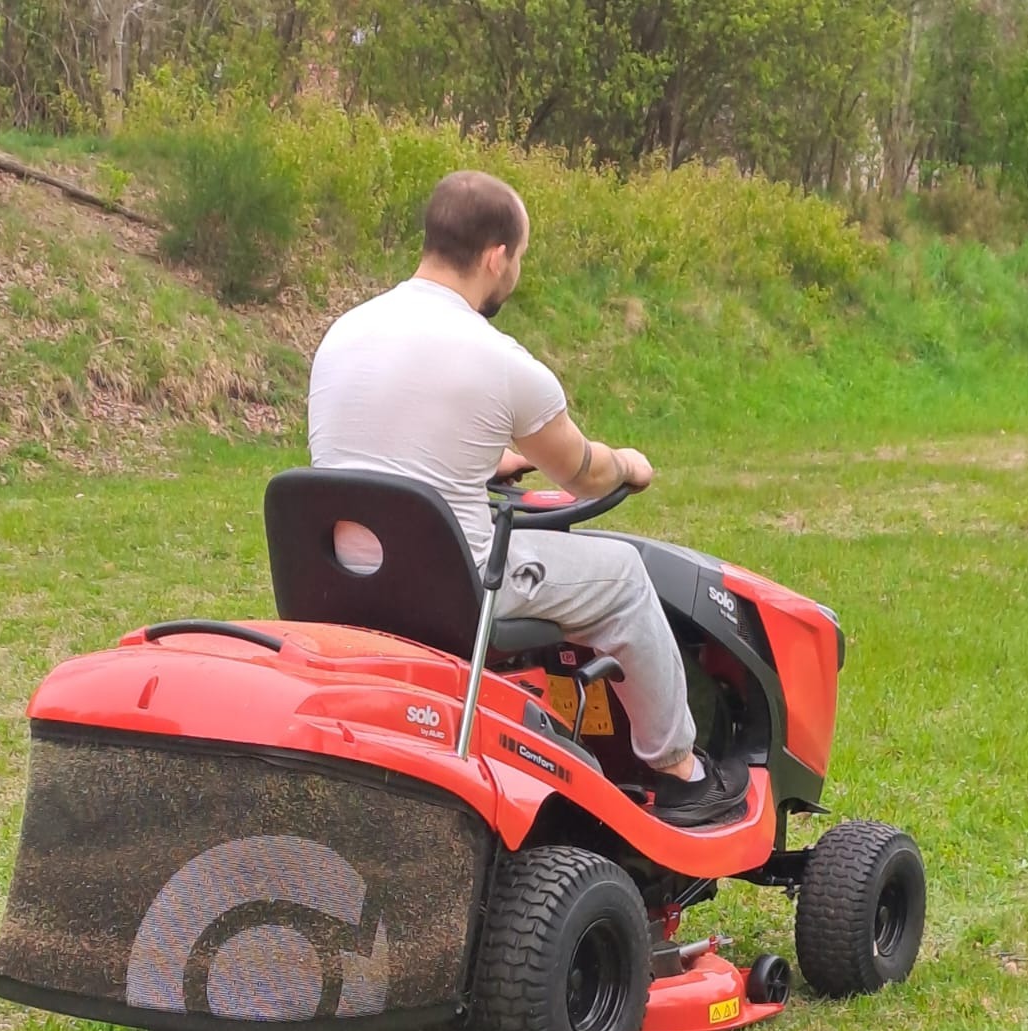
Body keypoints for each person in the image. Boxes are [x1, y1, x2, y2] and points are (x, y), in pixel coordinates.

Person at [308, 169, 748, 828]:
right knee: (623, 578)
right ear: (494, 256)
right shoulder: (498, 359)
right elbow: (585, 475)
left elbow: (396, 449)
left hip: (339, 582)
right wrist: (628, 462)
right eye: (519, 258)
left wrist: (490, 459)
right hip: (450, 589)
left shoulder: (343, 333)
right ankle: (679, 768)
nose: (514, 272)